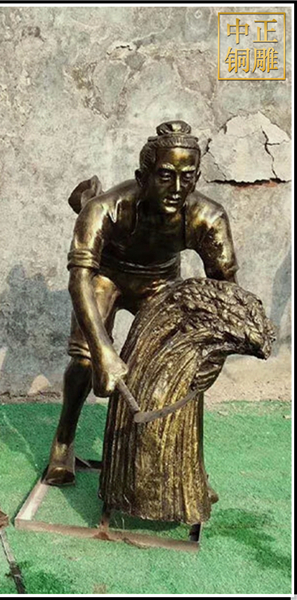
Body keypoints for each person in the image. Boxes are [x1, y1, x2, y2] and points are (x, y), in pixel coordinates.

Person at [45, 120, 238, 486]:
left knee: (179, 365)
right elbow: (79, 279)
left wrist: (213, 353)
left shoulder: (208, 217)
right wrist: (103, 351)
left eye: (188, 177)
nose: (177, 189)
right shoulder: (105, 208)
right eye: (165, 176)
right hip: (106, 276)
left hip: (160, 281)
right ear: (142, 176)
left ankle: (188, 465)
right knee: (85, 359)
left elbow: (226, 293)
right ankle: (63, 440)